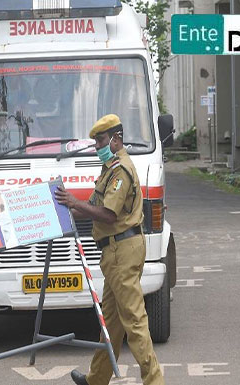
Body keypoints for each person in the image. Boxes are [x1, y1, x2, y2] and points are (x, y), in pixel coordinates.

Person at [54, 114, 164, 385]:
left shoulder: (120, 171)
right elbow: (89, 208)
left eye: (101, 140)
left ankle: (155, 381)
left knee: (134, 322)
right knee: (111, 322)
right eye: (94, 141)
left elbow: (108, 214)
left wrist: (73, 203)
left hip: (122, 251)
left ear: (116, 139)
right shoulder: (109, 169)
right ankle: (97, 379)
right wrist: (63, 205)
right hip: (115, 252)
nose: (97, 146)